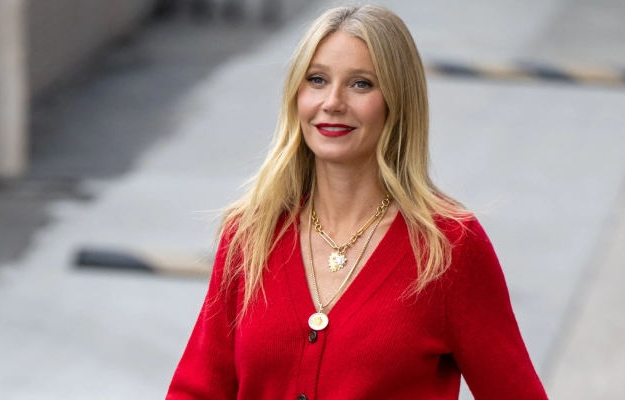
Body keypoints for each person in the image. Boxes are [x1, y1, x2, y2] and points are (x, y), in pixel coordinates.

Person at [167, 4, 548, 399]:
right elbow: (197, 391)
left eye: (361, 84)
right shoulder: (252, 231)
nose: (332, 102)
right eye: (317, 80)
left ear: (398, 102)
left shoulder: (449, 248)